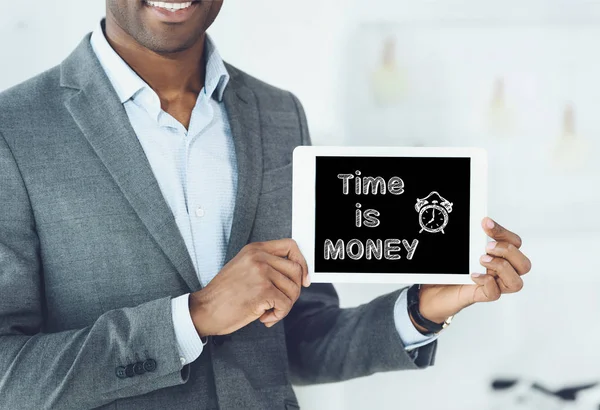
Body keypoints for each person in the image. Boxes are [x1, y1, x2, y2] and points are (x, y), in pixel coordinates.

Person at [0, 1, 532, 409]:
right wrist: (194, 317)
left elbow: (298, 338)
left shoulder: (279, 115)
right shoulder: (15, 129)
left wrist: (423, 306)